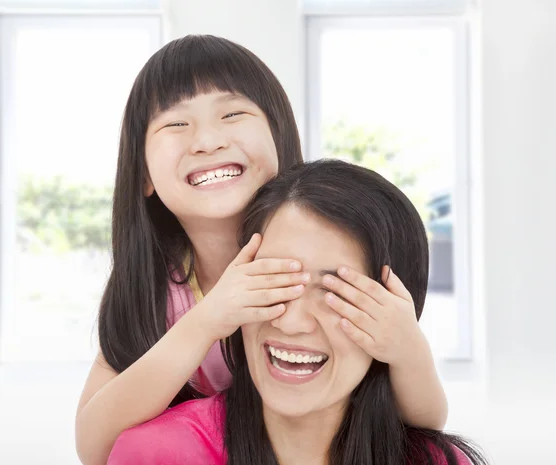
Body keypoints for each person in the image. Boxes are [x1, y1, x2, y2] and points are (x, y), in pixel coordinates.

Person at [76, 35, 449, 465]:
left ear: (280, 138)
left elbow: (424, 427)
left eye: (232, 113)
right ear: (144, 176)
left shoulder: (336, 244)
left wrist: (407, 349)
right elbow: (95, 444)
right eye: (176, 124)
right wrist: (207, 321)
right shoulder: (155, 291)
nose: (207, 140)